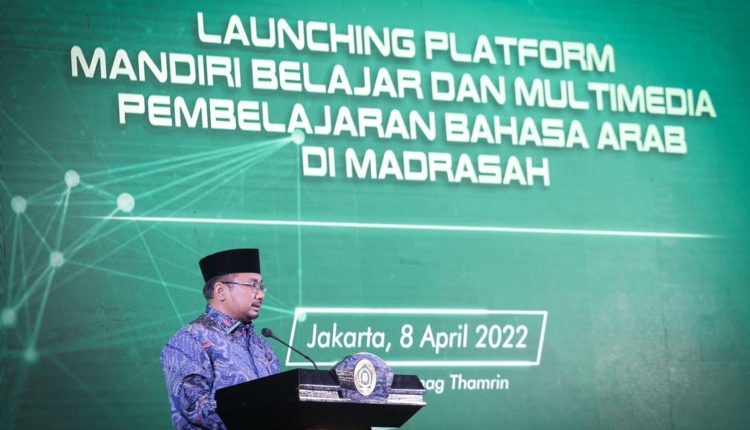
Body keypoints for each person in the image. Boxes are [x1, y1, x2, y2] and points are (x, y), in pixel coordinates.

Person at [161, 248, 281, 429]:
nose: (261, 294)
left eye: (261, 286)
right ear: (221, 290)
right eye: (253, 285)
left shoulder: (262, 346)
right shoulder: (189, 340)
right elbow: (194, 407)